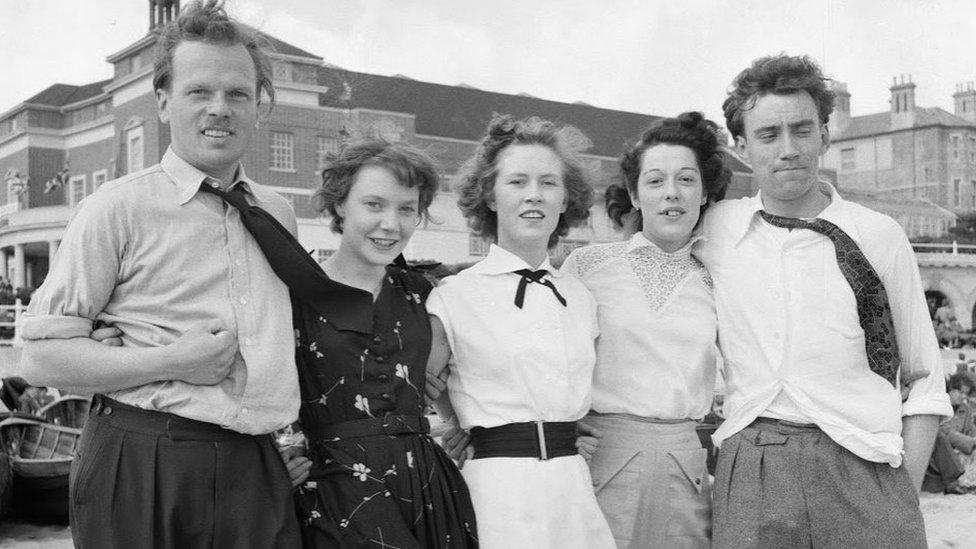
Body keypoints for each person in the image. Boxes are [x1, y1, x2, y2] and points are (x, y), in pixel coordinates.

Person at [17, 2, 303, 546]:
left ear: (259, 106)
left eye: (237, 93)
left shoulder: (277, 213)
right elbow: (39, 357)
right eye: (199, 92)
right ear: (164, 101)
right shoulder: (115, 208)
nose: (219, 108)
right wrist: (170, 361)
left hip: (256, 464)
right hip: (142, 460)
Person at [697, 53, 952, 548]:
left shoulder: (879, 235)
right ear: (743, 147)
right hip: (753, 467)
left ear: (825, 136)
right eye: (769, 135)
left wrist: (901, 493)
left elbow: (925, 379)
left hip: (864, 465)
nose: (788, 149)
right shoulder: (716, 229)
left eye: (802, 130)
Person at [425, 115, 615, 548]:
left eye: (549, 183)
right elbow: (421, 393)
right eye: (517, 182)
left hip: (571, 490)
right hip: (496, 493)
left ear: (566, 199)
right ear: (490, 196)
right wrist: (455, 429)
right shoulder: (454, 296)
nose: (534, 195)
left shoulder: (581, 297)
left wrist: (568, 433)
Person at [290, 140, 477, 548]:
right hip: (336, 490)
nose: (391, 224)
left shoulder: (426, 293)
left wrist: (474, 422)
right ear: (340, 205)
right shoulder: (296, 293)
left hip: (425, 487)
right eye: (374, 205)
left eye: (406, 209)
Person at [560, 112, 728, 548]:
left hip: (686, 462)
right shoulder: (588, 266)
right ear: (635, 195)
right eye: (655, 181)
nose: (671, 193)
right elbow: (550, 361)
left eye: (686, 180)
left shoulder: (719, 280)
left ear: (706, 192)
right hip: (603, 457)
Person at [940, 372, 976, 489]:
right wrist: (970, 442)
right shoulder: (941, 407)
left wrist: (972, 440)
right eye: (961, 392)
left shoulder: (966, 409)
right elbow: (944, 431)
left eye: (965, 394)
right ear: (950, 389)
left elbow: (971, 430)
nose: (963, 397)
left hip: (963, 450)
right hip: (946, 453)